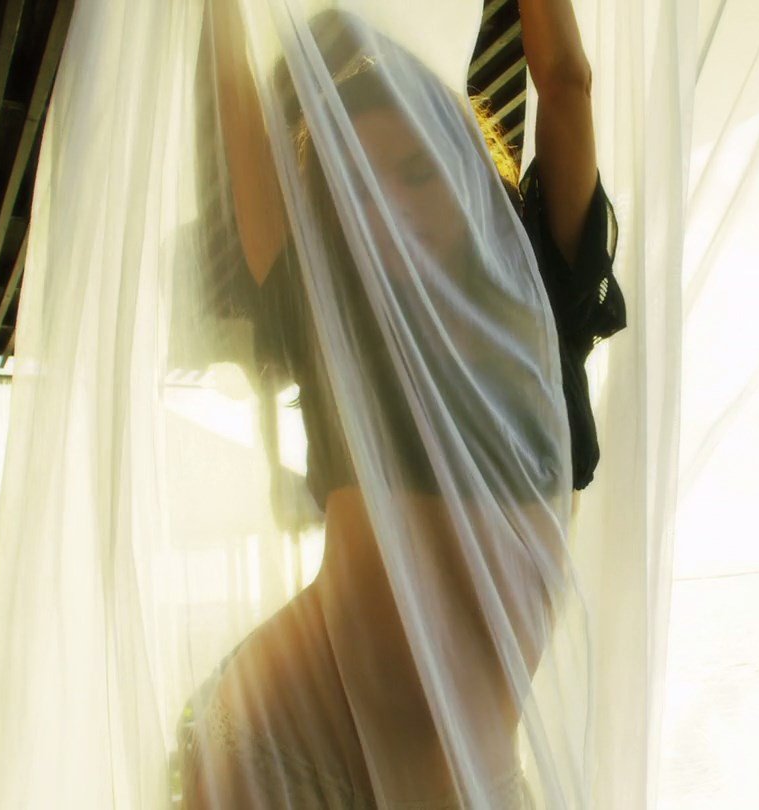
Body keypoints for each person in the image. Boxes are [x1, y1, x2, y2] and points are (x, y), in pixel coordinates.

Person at [179, 2, 624, 806]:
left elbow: (565, 82)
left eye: (418, 172)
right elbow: (236, 102)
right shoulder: (332, 321)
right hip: (279, 752)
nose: (395, 207)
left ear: (466, 165)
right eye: (362, 185)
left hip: (470, 781)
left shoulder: (542, 290)